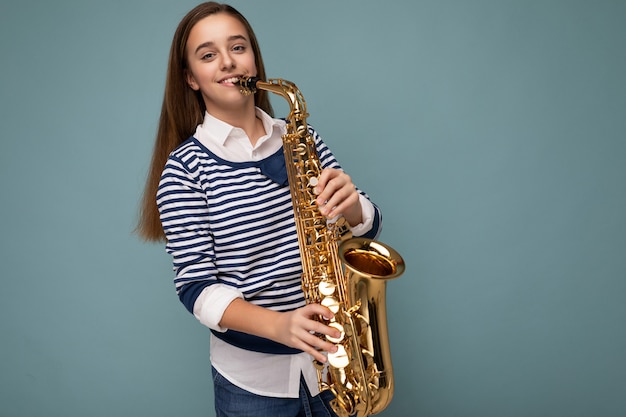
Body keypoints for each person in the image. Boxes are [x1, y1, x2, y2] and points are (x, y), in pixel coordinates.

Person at [137, 2, 383, 416]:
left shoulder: (302, 139)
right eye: (208, 54)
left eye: (238, 47)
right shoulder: (184, 171)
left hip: (340, 363)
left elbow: (363, 231)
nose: (229, 63)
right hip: (252, 388)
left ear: (255, 58)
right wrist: (280, 326)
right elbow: (196, 290)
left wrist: (355, 207)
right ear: (190, 79)